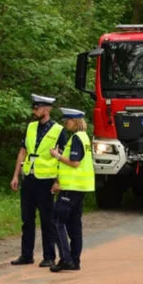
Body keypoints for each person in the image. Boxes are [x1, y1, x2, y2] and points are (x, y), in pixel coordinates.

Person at [10, 94, 65, 267]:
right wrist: (15, 175)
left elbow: (62, 158)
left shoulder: (58, 130)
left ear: (47, 109)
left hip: (46, 180)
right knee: (27, 219)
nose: (34, 111)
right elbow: (22, 151)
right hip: (29, 178)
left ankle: (49, 256)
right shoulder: (31, 127)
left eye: (37, 108)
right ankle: (26, 255)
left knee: (47, 219)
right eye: (34, 108)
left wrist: (58, 181)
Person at [48, 107, 94, 273]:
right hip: (80, 187)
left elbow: (75, 162)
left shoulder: (76, 138)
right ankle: (75, 260)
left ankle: (66, 259)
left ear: (74, 121)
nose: (65, 124)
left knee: (57, 221)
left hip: (71, 187)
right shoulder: (84, 137)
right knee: (75, 225)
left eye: (66, 121)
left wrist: (57, 156)